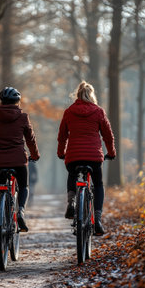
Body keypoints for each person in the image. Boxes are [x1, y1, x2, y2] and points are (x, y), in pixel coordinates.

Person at [57, 81, 116, 235]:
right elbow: (108, 136)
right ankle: (97, 219)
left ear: (77, 96)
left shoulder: (69, 112)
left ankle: (71, 202)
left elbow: (62, 136)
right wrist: (111, 152)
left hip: (74, 156)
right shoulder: (99, 112)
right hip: (94, 157)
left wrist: (60, 152)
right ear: (92, 95)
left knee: (72, 174)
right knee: (98, 185)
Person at [0, 87, 40, 243]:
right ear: (17, 101)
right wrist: (35, 155)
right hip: (18, 161)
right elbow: (31, 139)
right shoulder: (23, 117)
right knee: (23, 186)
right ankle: (20, 211)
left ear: (1, 101)